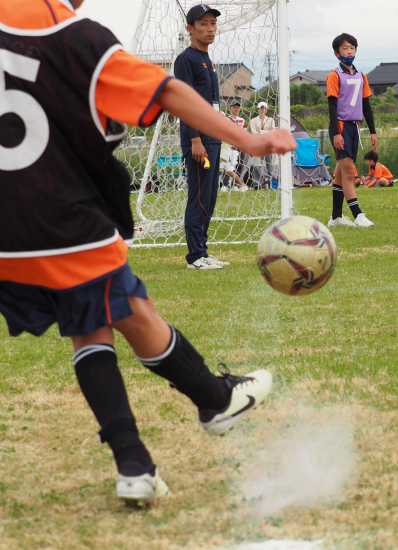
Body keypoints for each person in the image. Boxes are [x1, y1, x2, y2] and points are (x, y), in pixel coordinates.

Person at [0, 0, 296, 506]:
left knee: (90, 325)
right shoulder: (73, 36)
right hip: (60, 221)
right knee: (133, 315)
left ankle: (134, 462)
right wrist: (248, 142)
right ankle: (216, 400)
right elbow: (168, 91)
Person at [173, 4, 228, 269]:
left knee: (210, 197)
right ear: (190, 29)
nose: (210, 29)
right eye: (203, 24)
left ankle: (203, 250)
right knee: (198, 196)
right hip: (199, 141)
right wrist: (195, 140)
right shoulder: (186, 59)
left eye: (213, 24)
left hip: (213, 138)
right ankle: (195, 256)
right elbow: (184, 103)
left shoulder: (209, 60)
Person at [326, 33, 376, 227]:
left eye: (352, 48)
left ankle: (336, 217)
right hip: (340, 126)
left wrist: (372, 131)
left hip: (355, 127)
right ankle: (358, 215)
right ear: (337, 53)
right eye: (345, 48)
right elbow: (331, 105)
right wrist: (337, 133)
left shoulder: (361, 75)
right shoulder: (334, 75)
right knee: (348, 173)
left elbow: (367, 105)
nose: (349, 51)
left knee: (340, 173)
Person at [249, 101, 275, 186]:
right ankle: (257, 184)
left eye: (264, 108)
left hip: (268, 145)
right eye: (260, 108)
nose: (262, 110)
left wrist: (261, 132)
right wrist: (266, 132)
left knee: (269, 165)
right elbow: (254, 134)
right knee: (257, 165)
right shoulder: (253, 121)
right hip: (257, 145)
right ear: (258, 109)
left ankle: (271, 182)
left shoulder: (271, 120)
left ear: (266, 110)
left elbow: (272, 133)